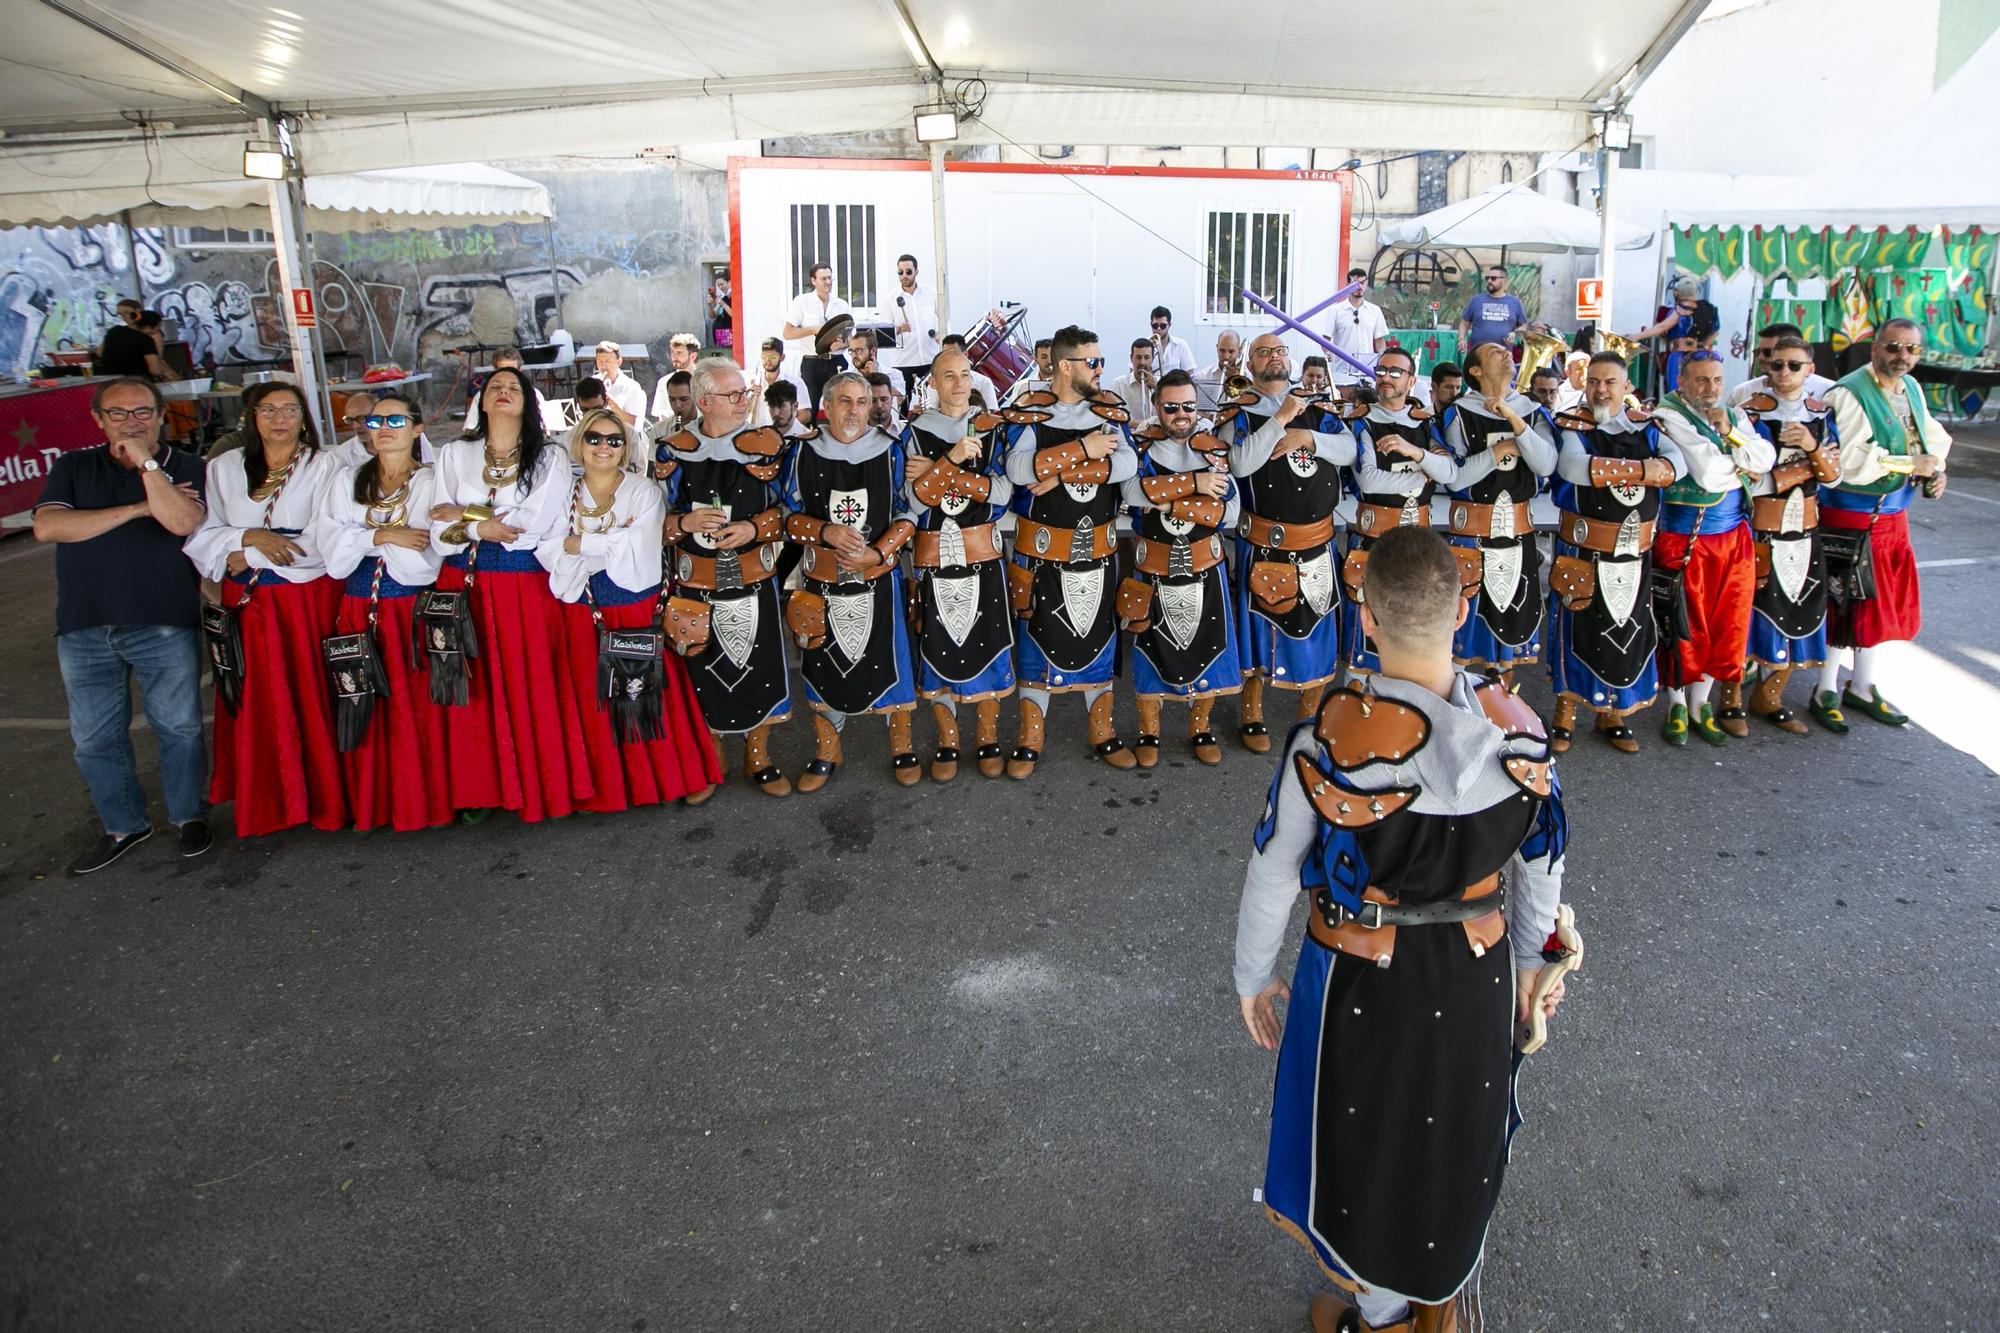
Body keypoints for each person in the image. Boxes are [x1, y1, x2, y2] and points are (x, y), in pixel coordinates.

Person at [1236, 523, 1568, 1333]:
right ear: (1462, 614)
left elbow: (1276, 867)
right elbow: (1544, 862)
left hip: (1357, 978)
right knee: (1457, 1129)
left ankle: (1382, 1314)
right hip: (1478, 967)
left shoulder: (1329, 740)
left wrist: (1253, 975)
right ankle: (1441, 1305)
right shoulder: (1521, 732)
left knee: (1364, 1145)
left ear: (1367, 616)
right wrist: (1532, 965)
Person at [34, 376, 210, 873]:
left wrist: (147, 467)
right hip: (83, 625)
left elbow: (179, 522)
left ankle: (188, 817)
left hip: (162, 620)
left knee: (178, 727)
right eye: (119, 414)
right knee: (93, 738)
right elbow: (50, 526)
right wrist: (138, 507)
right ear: (98, 419)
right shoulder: (73, 466)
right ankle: (124, 825)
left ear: (160, 415)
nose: (131, 422)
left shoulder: (190, 466)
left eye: (142, 412)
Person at [184, 381, 347, 837]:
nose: (279, 418)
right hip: (249, 603)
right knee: (258, 698)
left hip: (303, 598)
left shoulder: (325, 466)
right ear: (251, 417)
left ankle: (324, 797)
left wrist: (244, 552)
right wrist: (249, 538)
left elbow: (321, 539)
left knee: (311, 694)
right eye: (268, 409)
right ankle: (270, 800)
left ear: (303, 417)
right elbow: (203, 535)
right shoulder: (223, 468)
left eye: (289, 409)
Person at [427, 366, 589, 822]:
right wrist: (481, 524)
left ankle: (541, 784)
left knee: (531, 684)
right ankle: (481, 788)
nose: (501, 392)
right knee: (472, 687)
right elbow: (440, 531)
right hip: (463, 584)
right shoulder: (455, 453)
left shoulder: (549, 458)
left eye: (512, 387)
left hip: (523, 585)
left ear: (528, 402)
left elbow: (528, 526)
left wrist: (467, 515)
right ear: (479, 402)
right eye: (493, 387)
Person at [538, 409, 721, 811]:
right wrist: (606, 541)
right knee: (596, 701)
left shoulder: (642, 491)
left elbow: (638, 547)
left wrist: (579, 544)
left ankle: (679, 776)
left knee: (649, 695)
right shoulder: (562, 493)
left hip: (633, 606)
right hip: (582, 607)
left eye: (614, 440)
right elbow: (546, 546)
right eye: (594, 438)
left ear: (625, 447)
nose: (604, 446)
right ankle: (610, 786)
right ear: (580, 442)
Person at [1002, 324, 1141, 777]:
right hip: (1041, 554)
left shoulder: (1108, 410)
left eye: (1100, 361)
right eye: (1093, 362)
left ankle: (1102, 731)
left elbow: (1127, 464)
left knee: (1098, 640)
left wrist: (1062, 473)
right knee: (1036, 644)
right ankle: (1030, 737)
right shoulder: (1032, 411)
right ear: (1065, 366)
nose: (1101, 369)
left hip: (1096, 552)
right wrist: (1084, 447)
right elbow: (1020, 469)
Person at [313, 390, 451, 831]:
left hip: (410, 607)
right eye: (376, 423)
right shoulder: (346, 481)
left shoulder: (433, 482)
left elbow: (429, 549)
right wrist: (382, 537)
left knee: (418, 706)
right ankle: (375, 799)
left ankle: (427, 800)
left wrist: (364, 534)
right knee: (364, 700)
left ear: (417, 428)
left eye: (395, 422)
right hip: (359, 606)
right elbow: (331, 549)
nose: (385, 431)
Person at [659, 358, 796, 797]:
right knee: (702, 671)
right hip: (697, 585)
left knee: (761, 670)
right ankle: (710, 757)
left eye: (744, 393)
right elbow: (649, 518)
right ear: (703, 402)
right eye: (733, 395)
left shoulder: (768, 445)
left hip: (753, 578)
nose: (743, 402)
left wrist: (754, 528)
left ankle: (759, 756)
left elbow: (790, 512)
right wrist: (684, 524)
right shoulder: (672, 449)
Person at [781, 370, 920, 790]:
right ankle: (827, 750)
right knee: (823, 666)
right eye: (845, 401)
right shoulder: (801, 453)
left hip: (878, 578)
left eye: (862, 402)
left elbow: (909, 514)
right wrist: (825, 532)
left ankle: (902, 746)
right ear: (827, 405)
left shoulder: (892, 450)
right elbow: (785, 517)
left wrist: (878, 553)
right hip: (821, 583)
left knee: (892, 662)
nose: (855, 411)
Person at [1813, 318, 1952, 728]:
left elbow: (1930, 437)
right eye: (1893, 347)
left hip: (1891, 513)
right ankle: (1826, 688)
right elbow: (1852, 462)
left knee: (1877, 605)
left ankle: (1862, 685)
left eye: (1911, 350)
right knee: (1845, 602)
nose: (1902, 357)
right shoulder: (1851, 392)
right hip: (1852, 514)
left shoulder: (1910, 387)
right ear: (1875, 348)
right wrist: (1914, 463)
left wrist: (1936, 468)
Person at [1545, 354, 1683, 755]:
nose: (1600, 389)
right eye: (1594, 381)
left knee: (1627, 631)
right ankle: (1565, 715)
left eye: (1610, 382)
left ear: (1626, 388)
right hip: (1584, 550)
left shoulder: (1648, 426)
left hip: (1633, 553)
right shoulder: (1573, 425)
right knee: (1576, 632)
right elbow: (1573, 468)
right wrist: (1645, 469)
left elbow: (1678, 467)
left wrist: (1609, 470)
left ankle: (1612, 714)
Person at [1225, 332, 1355, 752]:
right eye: (1264, 352)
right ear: (1251, 364)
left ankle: (1310, 715)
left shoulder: (1318, 411)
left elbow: (1350, 450)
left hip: (1315, 541)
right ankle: (1252, 711)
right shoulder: (1240, 414)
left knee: (1316, 627)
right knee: (1260, 627)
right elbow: (1241, 463)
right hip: (1264, 541)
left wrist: (1309, 439)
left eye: (1280, 351)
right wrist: (1280, 420)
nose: (1275, 358)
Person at [1649, 350, 1775, 746]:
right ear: (1682, 383)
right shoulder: (1669, 417)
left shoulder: (1732, 415)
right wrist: (1741, 464)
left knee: (1725, 623)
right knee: (1682, 624)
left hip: (1733, 539)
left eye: (1717, 380)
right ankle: (1676, 704)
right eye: (1701, 380)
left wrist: (1733, 438)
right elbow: (1709, 474)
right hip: (1685, 541)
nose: (1711, 389)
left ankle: (1701, 701)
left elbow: (1765, 458)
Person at [902, 347, 1015, 781]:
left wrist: (937, 472)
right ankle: (948, 741)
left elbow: (1004, 494)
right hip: (934, 558)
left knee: (989, 641)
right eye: (948, 376)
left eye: (965, 374)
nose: (959, 383)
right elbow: (915, 501)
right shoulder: (916, 431)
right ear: (933, 382)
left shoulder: (991, 428)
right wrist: (950, 459)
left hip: (982, 553)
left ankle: (987, 736)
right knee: (937, 645)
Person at [1122, 369, 1241, 766]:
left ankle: (1200, 728)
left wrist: (1166, 499)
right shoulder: (1141, 446)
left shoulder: (1214, 448)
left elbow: (1228, 510)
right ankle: (1149, 733)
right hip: (1152, 566)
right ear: (1157, 407)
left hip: (1205, 564)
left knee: (1207, 647)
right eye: (1171, 407)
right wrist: (1196, 484)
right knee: (1149, 649)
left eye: (1188, 406)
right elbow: (1132, 493)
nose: (1181, 415)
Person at [1738, 336, 1842, 735]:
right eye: (1776, 364)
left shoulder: (1821, 414)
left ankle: (1771, 696)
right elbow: (1752, 481)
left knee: (1800, 610)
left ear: (1809, 370)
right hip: (1763, 527)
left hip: (1805, 528)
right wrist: (1808, 468)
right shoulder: (1750, 414)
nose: (1783, 372)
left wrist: (1812, 448)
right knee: (1753, 612)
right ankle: (1731, 700)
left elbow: (1834, 474)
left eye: (1794, 365)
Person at [1441, 340, 1556, 680]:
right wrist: (1499, 451)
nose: (1507, 353)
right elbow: (1456, 477)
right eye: (1495, 352)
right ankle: (1460, 710)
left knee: (1511, 625)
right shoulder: (1459, 412)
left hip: (1517, 534)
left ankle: (1504, 709)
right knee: (1464, 627)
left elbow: (1546, 463)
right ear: (1475, 371)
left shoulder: (1531, 410)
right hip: (1471, 534)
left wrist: (1511, 416)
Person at [1341, 347, 1457, 677]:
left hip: (1419, 544)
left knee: (1416, 632)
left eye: (1395, 372)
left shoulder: (1426, 424)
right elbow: (1368, 479)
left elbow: (1450, 472)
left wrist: (1413, 451)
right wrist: (1420, 476)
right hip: (1372, 539)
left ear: (1410, 380)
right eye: (1381, 370)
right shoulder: (1363, 421)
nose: (1386, 378)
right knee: (1364, 634)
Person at [1626, 277, 1719, 396]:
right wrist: (1702, 344)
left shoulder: (1682, 309)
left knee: (1676, 393)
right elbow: (1715, 332)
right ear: (1695, 292)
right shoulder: (1710, 309)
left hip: (1680, 358)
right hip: (1702, 357)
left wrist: (1638, 336)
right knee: (1697, 392)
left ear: (1678, 293)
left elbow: (1662, 327)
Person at [1728, 322, 1837, 408]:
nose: (1760, 357)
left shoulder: (1830, 392)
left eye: (1768, 352)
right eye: (1757, 352)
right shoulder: (1742, 392)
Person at [1325, 267, 1389, 386]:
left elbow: (1380, 339)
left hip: (1367, 371)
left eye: (1362, 283)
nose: (1358, 287)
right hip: (1342, 371)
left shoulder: (1375, 310)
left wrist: (1382, 359)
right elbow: (1326, 339)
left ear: (1366, 284)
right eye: (1354, 283)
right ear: (1347, 285)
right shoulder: (1336, 310)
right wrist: (1328, 354)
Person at [885, 253, 939, 390]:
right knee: (903, 403)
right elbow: (884, 332)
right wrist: (899, 329)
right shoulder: (890, 298)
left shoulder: (931, 293)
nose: (904, 275)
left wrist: (940, 335)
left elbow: (944, 318)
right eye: (900, 272)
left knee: (932, 401)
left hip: (929, 358)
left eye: (908, 272)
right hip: (904, 360)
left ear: (916, 272)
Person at [781, 261, 853, 361]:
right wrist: (814, 330)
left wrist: (842, 345)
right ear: (813, 281)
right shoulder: (802, 301)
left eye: (829, 278)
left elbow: (851, 338)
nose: (828, 282)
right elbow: (787, 333)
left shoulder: (842, 305)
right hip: (812, 361)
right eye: (823, 279)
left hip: (837, 359)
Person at [1457, 265, 1526, 351]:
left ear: (1504, 281)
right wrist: (1461, 339)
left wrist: (1514, 334)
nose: (1489, 281)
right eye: (1487, 278)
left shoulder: (1515, 302)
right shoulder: (1476, 300)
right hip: (1477, 354)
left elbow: (1524, 325)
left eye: (1493, 278)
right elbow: (1464, 322)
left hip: (1503, 355)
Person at [748, 336, 810, 427]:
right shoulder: (752, 382)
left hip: (784, 436)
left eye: (772, 357)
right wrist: (749, 396)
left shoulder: (795, 382)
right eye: (764, 357)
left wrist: (783, 430)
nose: (768, 361)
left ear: (782, 357)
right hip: (756, 434)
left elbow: (806, 415)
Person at [98, 303, 168, 379]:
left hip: (107, 379)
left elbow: (100, 353)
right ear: (148, 327)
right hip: (136, 381)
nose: (157, 331)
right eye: (158, 327)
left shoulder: (114, 330)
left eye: (126, 313)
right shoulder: (146, 339)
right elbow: (155, 370)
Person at [937, 333, 1001, 411]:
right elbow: (931, 414)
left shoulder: (984, 382)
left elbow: (991, 414)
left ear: (965, 354)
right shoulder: (937, 383)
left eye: (954, 354)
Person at [591, 340, 648, 427]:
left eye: (607, 361)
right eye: (600, 361)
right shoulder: (591, 382)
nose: (603, 366)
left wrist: (614, 406)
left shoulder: (632, 387)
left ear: (619, 362)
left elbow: (635, 424)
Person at [651, 333, 703, 422]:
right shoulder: (664, 382)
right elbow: (662, 416)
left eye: (679, 353)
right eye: (672, 353)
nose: (674, 357)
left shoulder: (705, 381)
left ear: (693, 356)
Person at [1108, 337, 1158, 426]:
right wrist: (1141, 425)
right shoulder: (1118, 384)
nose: (1142, 362)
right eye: (1138, 357)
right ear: (1131, 358)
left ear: (1153, 358)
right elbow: (1113, 417)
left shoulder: (1161, 383)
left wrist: (1157, 388)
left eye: (1147, 357)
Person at [844, 331, 905, 401]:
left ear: (873, 351)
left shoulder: (894, 374)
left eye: (859, 350)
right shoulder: (845, 377)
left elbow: (898, 401)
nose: (854, 355)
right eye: (851, 351)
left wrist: (876, 376)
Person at [1000, 338, 1056, 407]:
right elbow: (1014, 415)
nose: (1049, 361)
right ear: (1036, 359)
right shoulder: (1022, 386)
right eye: (1044, 357)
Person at [1148, 306, 1198, 375]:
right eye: (1155, 325)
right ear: (1151, 324)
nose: (1158, 329)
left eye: (1163, 326)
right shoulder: (1143, 346)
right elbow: (1133, 372)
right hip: (1149, 386)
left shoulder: (1181, 345)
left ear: (1169, 325)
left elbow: (1189, 372)